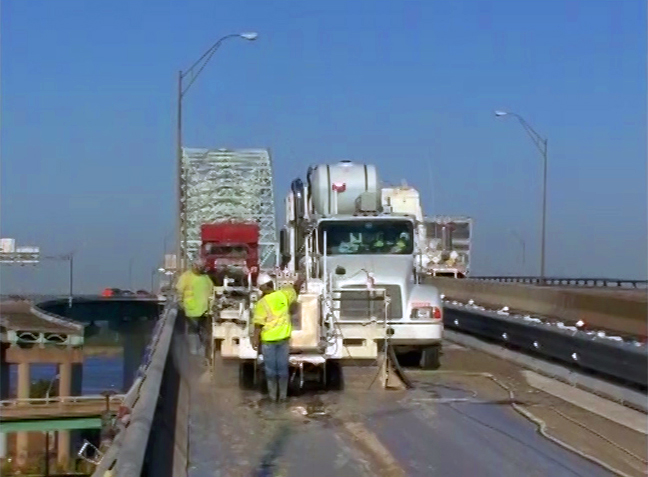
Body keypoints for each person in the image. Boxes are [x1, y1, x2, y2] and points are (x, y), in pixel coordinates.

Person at [252, 272, 305, 402]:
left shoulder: (261, 303)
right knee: (282, 371)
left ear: (261, 288)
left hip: (268, 342)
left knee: (271, 371)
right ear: (271, 284)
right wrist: (300, 279)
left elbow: (258, 325)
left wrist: (254, 340)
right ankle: (282, 398)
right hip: (283, 340)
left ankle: (272, 397)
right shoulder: (284, 295)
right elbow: (295, 290)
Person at [176, 257, 214, 357]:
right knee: (193, 330)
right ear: (194, 266)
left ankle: (203, 350)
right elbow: (179, 290)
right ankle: (193, 350)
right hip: (191, 309)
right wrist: (180, 303)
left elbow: (211, 289)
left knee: (204, 331)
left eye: (202, 267)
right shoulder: (186, 277)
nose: (199, 269)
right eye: (198, 267)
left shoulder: (205, 278)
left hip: (205, 310)